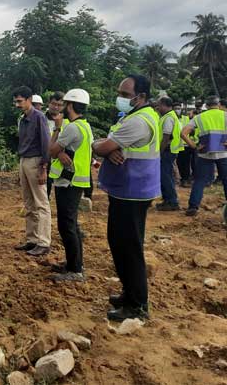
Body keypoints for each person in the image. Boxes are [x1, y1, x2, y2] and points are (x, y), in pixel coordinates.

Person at [93, 74, 160, 321]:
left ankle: (137, 305)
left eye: (124, 95)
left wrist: (103, 147)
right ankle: (129, 293)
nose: (119, 98)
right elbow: (108, 146)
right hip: (128, 190)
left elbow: (101, 146)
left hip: (132, 192)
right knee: (120, 243)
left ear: (141, 97)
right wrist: (108, 148)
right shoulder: (135, 116)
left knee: (128, 247)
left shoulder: (139, 121)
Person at [48, 89, 92, 282]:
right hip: (76, 180)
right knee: (71, 224)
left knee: (67, 226)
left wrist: (57, 129)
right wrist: (60, 153)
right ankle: (75, 264)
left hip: (68, 182)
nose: (63, 108)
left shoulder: (72, 128)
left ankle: (75, 270)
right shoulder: (85, 126)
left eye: (65, 104)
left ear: (71, 105)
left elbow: (51, 150)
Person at [13, 86, 52, 256]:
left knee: (41, 203)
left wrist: (44, 167)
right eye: (15, 101)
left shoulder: (39, 118)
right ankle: (32, 239)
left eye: (20, 101)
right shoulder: (23, 119)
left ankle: (44, 242)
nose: (17, 104)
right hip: (24, 161)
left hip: (36, 161)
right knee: (29, 203)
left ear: (29, 100)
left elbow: (46, 144)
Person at [181, 95, 227, 216]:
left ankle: (193, 207)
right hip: (223, 153)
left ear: (206, 105)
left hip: (205, 154)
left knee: (200, 181)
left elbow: (183, 133)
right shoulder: (225, 115)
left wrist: (194, 146)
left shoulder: (199, 117)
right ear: (219, 104)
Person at [155, 96, 183, 211]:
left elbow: (166, 137)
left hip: (167, 151)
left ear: (164, 105)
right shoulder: (168, 116)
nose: (158, 107)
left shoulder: (168, 118)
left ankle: (172, 201)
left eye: (159, 105)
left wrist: (159, 153)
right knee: (166, 175)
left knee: (165, 176)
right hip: (169, 150)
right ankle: (168, 200)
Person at [44, 92, 66, 198]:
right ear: (48, 103)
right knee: (46, 182)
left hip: (61, 157)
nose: (56, 107)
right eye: (53, 103)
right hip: (46, 156)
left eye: (59, 104)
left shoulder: (67, 120)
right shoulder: (41, 119)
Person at [176, 104, 194, 187]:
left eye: (179, 108)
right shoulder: (172, 118)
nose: (177, 110)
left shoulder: (186, 118)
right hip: (177, 144)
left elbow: (191, 130)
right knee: (179, 163)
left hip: (186, 144)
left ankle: (186, 179)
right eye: (176, 108)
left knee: (186, 163)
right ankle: (183, 178)